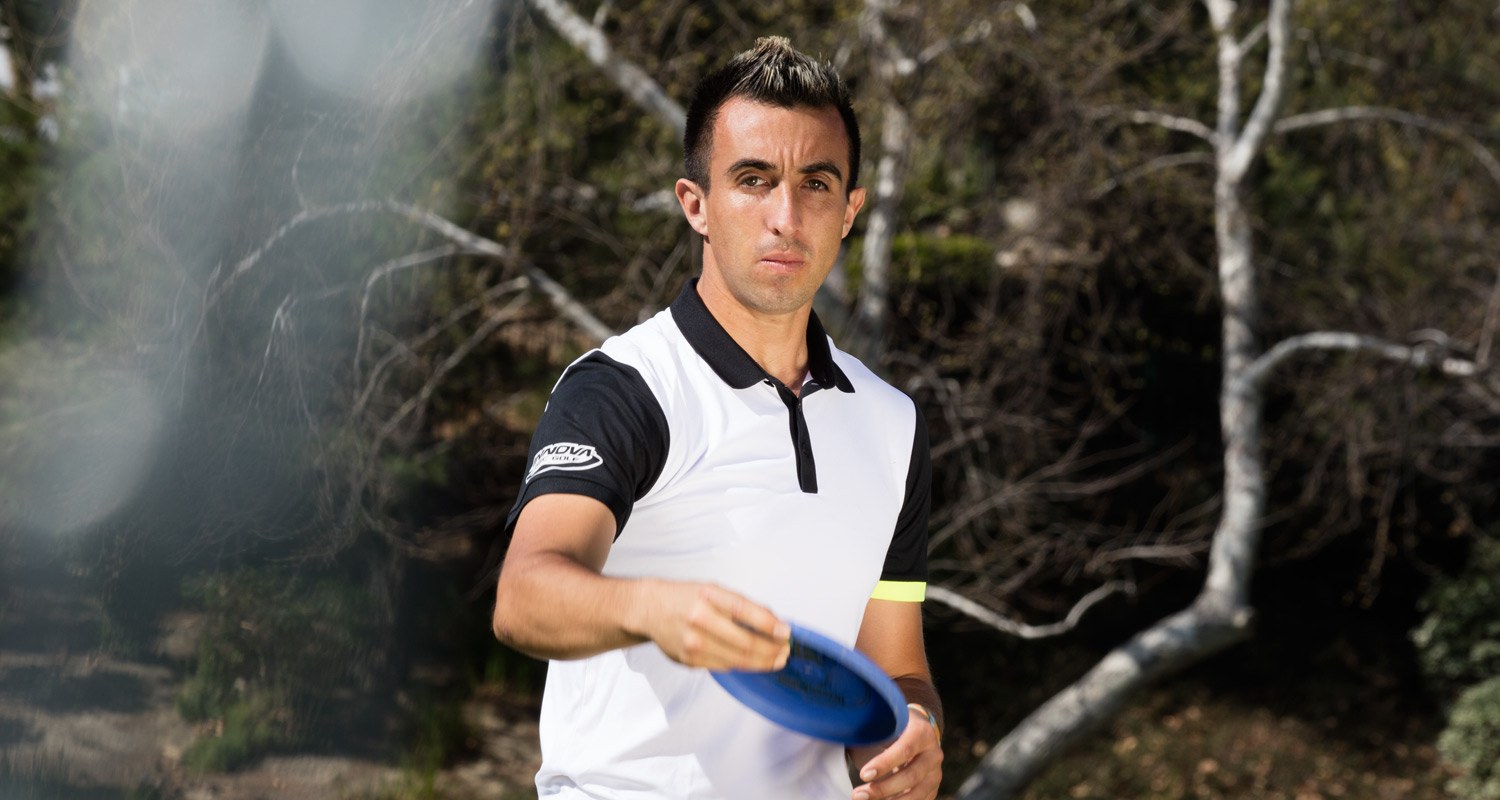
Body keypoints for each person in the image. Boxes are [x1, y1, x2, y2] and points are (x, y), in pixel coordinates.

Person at [492, 36, 943, 800]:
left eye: (816, 184)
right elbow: (524, 596)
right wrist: (654, 609)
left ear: (850, 212)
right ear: (695, 204)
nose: (785, 217)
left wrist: (914, 732)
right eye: (753, 180)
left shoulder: (893, 424)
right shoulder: (624, 388)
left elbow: (897, 669)